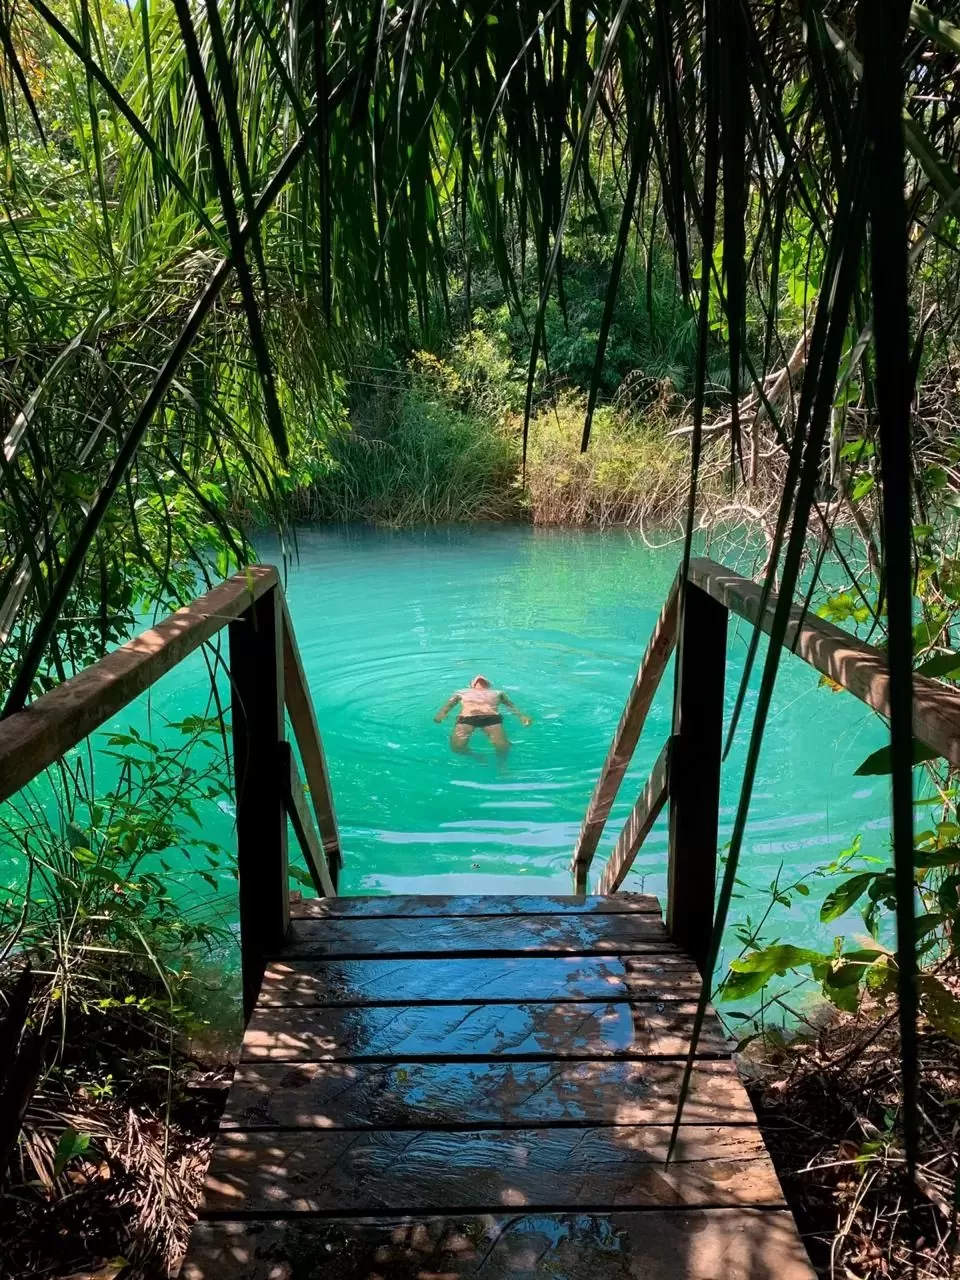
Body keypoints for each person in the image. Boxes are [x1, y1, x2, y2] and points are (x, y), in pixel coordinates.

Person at [434, 675, 532, 758]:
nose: (479, 676)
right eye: (476, 679)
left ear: (489, 685)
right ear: (471, 685)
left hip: (491, 718)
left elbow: (511, 705)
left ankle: (502, 767)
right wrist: (441, 715)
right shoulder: (462, 692)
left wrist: (522, 716)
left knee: (503, 747)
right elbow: (449, 705)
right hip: (466, 719)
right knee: (457, 748)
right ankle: (477, 757)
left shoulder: (498, 692)